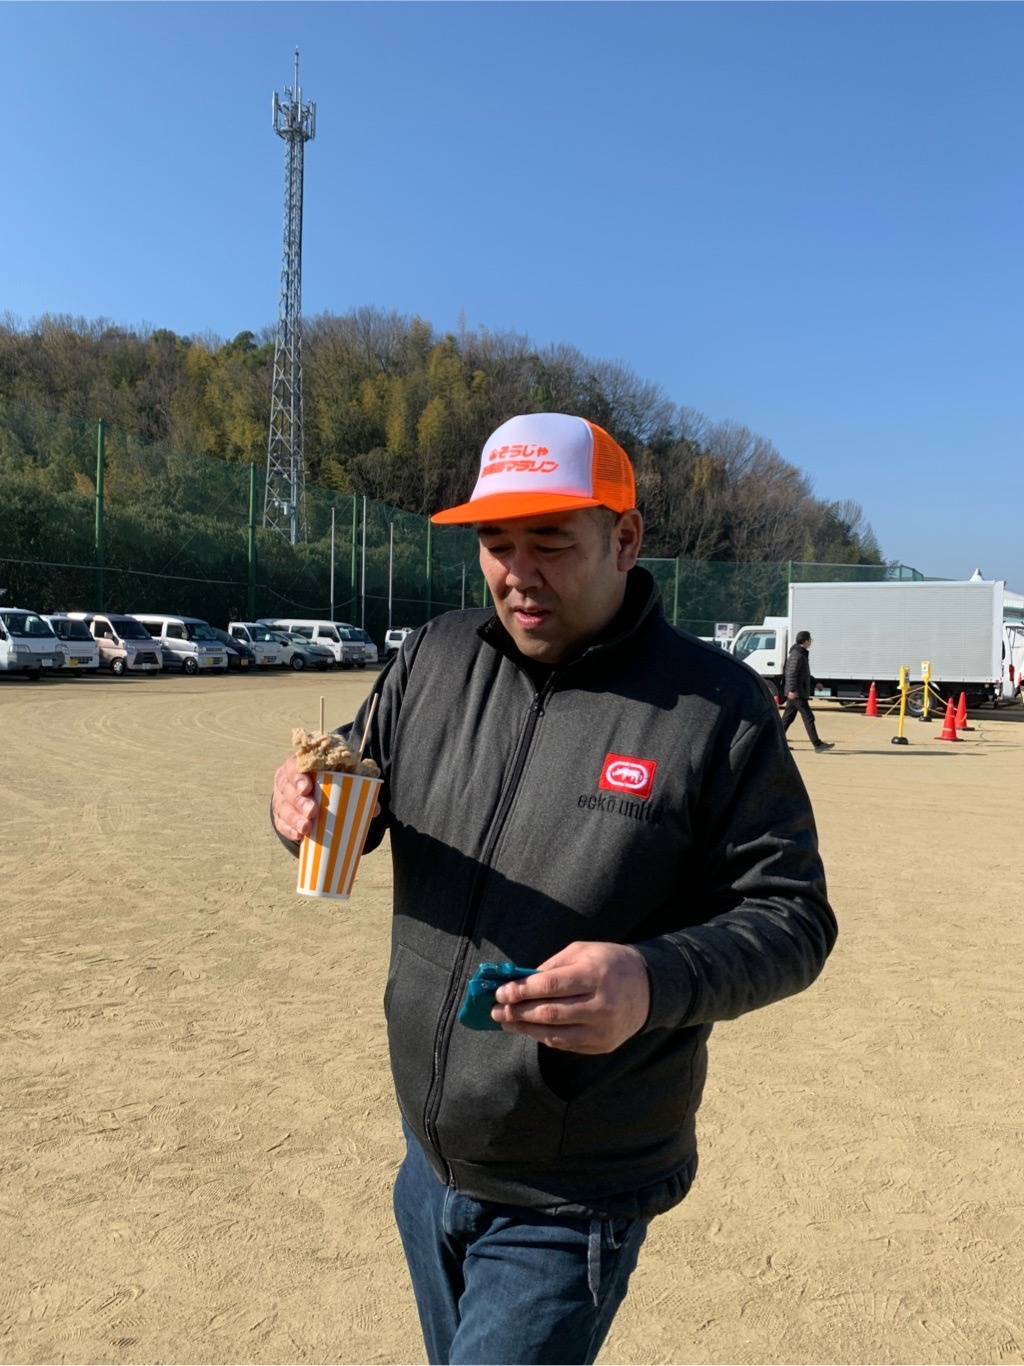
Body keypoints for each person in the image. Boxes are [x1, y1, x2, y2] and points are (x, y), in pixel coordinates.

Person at [271, 412, 838, 1365]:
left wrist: (650, 980)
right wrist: (299, 804)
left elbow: (793, 916)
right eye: (497, 543)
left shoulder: (715, 708)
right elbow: (351, 792)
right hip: (429, 1162)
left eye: (551, 542)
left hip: (575, 1191)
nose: (518, 574)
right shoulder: (433, 659)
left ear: (625, 538)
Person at [780, 630, 834, 752]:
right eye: (810, 640)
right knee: (808, 717)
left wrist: (815, 682)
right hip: (797, 692)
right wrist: (792, 690)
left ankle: (776, 743)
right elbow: (791, 673)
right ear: (805, 641)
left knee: (788, 718)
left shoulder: (800, 653)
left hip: (797, 691)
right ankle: (817, 744)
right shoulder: (797, 654)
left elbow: (803, 674)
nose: (810, 642)